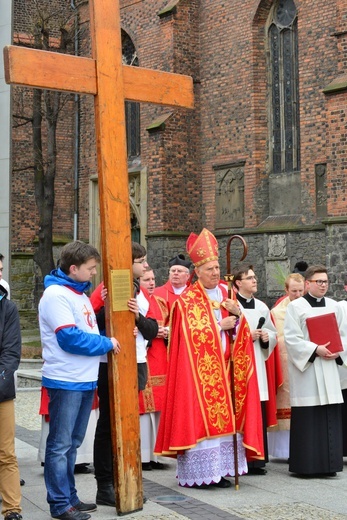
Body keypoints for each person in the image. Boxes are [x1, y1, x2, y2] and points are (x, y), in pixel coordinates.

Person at [155, 228, 264, 488]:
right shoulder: (187, 301)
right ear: (197, 272)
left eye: (217, 268)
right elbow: (185, 337)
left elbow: (243, 331)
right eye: (209, 269)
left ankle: (222, 470)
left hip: (228, 369)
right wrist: (220, 327)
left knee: (229, 422)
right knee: (202, 421)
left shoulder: (229, 294)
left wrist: (237, 317)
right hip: (198, 376)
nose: (215, 273)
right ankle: (202, 475)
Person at [38, 241, 120, 520]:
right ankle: (60, 504)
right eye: (90, 268)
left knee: (72, 444)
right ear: (73, 269)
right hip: (65, 379)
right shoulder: (56, 295)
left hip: (84, 379)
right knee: (60, 446)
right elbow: (69, 338)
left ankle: (70, 498)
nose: (94, 274)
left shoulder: (79, 293)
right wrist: (106, 343)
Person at [92, 242, 158, 507]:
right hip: (111, 362)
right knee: (108, 424)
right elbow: (93, 323)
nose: (145, 266)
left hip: (137, 361)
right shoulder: (106, 288)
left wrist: (137, 319)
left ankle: (127, 480)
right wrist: (109, 312)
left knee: (129, 421)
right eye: (140, 261)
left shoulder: (140, 291)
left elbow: (152, 328)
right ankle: (105, 485)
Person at [284, 265, 347, 477]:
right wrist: (315, 349)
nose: (323, 285)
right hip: (308, 371)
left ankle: (330, 465)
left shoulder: (334, 306)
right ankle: (307, 466)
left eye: (325, 282)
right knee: (310, 417)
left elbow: (343, 335)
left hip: (329, 367)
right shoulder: (296, 307)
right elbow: (292, 339)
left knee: (330, 416)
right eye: (318, 281)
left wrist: (338, 352)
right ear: (308, 283)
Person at [232, 264, 277, 475]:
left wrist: (268, 337)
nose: (254, 280)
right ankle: (242, 460)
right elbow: (226, 335)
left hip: (257, 361)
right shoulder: (231, 307)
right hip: (240, 366)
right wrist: (245, 338)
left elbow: (272, 331)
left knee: (257, 409)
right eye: (250, 278)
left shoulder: (261, 307)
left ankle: (257, 460)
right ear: (238, 283)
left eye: (255, 277)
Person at [267, 273, 305, 459]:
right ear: (286, 290)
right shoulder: (276, 313)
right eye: (294, 291)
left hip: (306, 362)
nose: (298, 295)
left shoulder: (309, 308)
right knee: (286, 401)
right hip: (286, 363)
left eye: (300, 291)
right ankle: (283, 450)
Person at [138, 267, 169, 471]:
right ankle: (143, 456)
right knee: (143, 409)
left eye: (153, 279)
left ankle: (157, 456)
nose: (151, 283)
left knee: (159, 407)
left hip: (160, 358)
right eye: (146, 279)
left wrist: (168, 332)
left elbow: (172, 325)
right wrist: (154, 332)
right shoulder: (138, 301)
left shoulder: (161, 303)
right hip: (144, 357)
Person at [0, 285, 22, 520]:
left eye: (1, 269)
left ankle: (12, 509)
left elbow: (11, 352)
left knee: (6, 453)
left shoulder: (7, 308)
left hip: (1, 391)